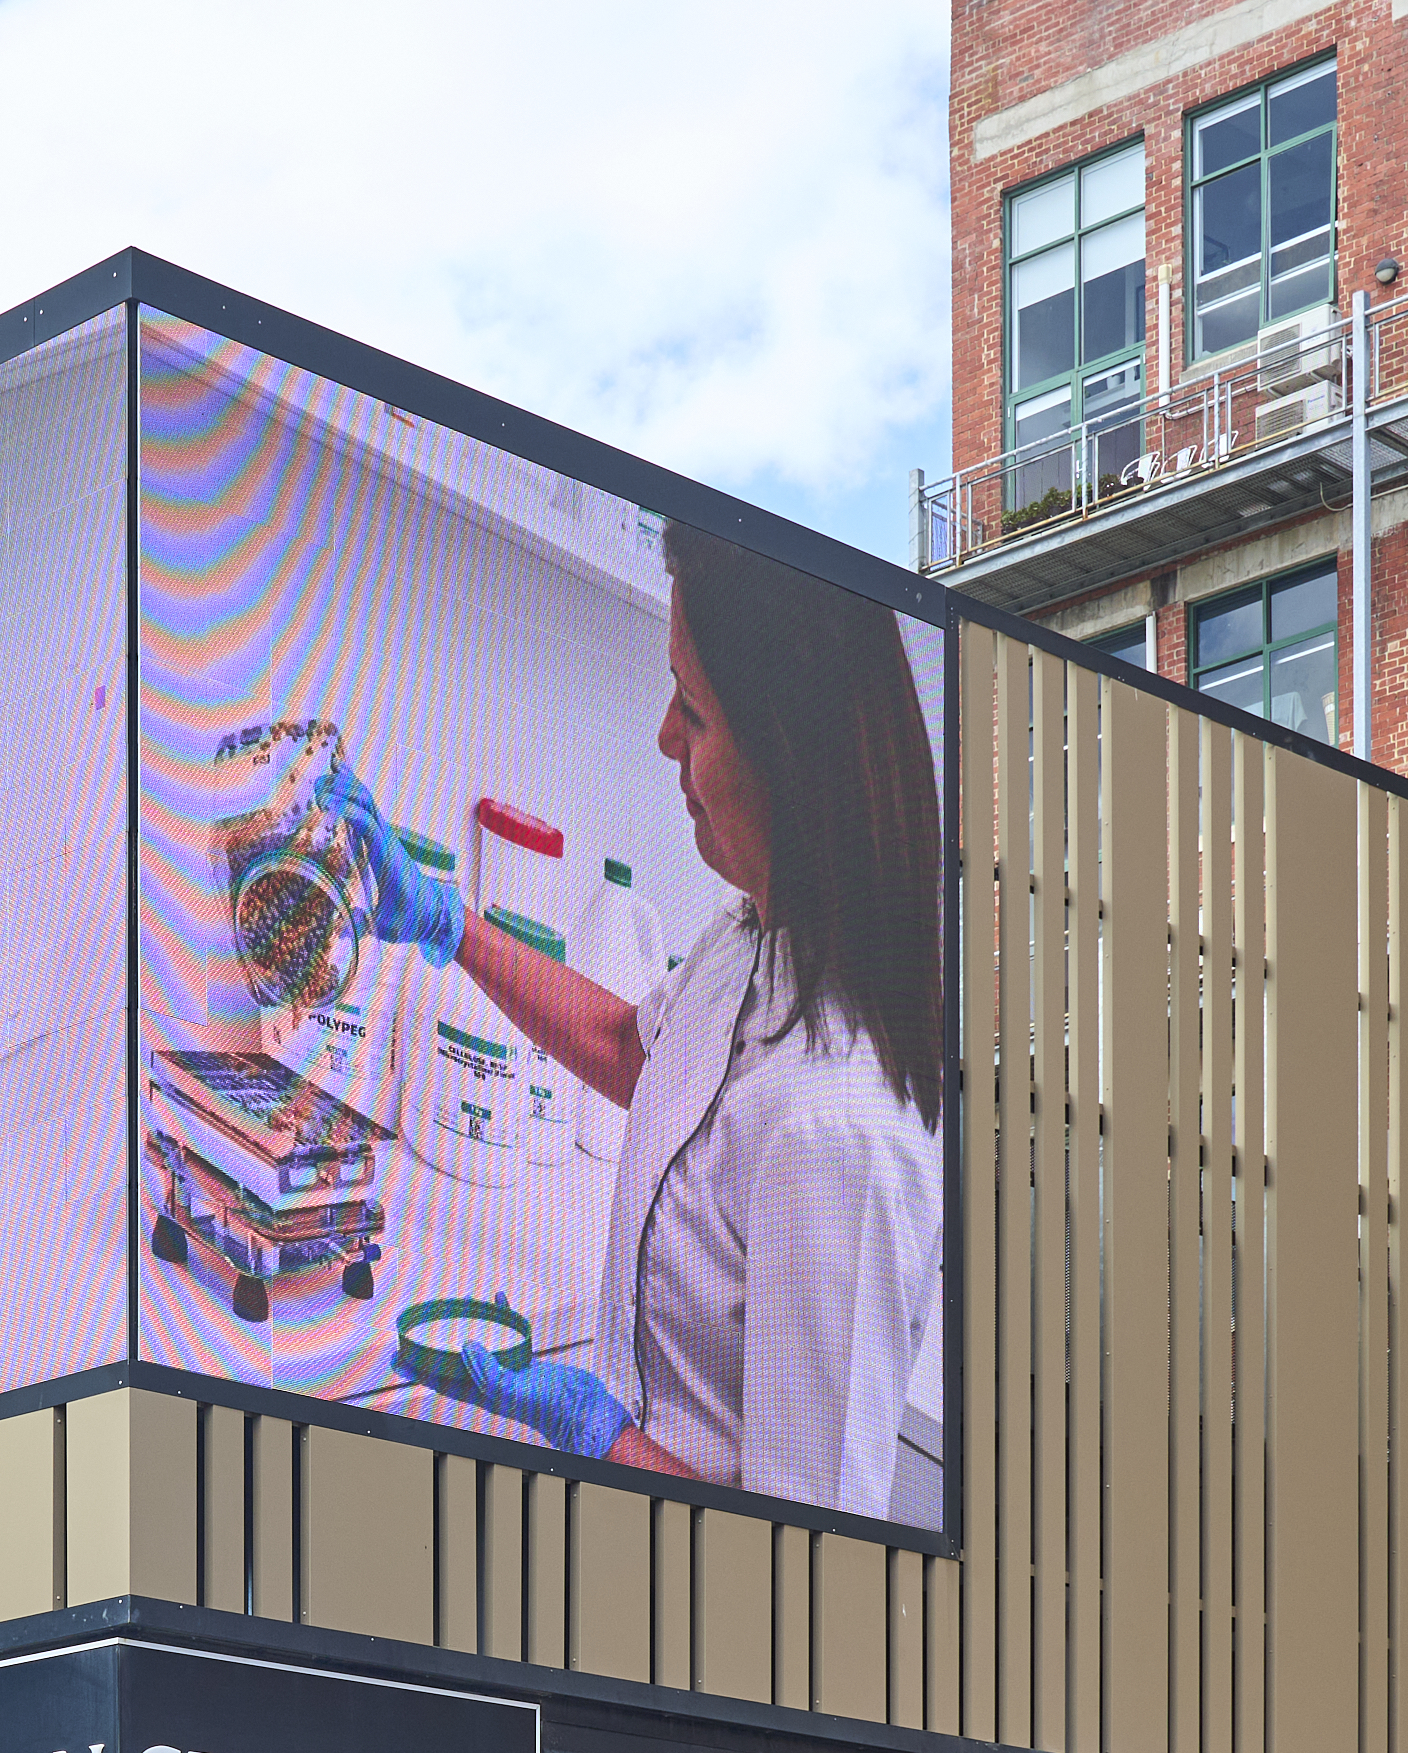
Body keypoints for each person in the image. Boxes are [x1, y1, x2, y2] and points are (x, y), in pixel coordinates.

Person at [327, 525, 949, 1520]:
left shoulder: (839, 1136)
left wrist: (601, 1435)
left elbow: (809, 1567)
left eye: (692, 713)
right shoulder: (758, 931)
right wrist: (446, 926)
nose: (664, 737)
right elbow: (633, 1052)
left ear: (783, 761)